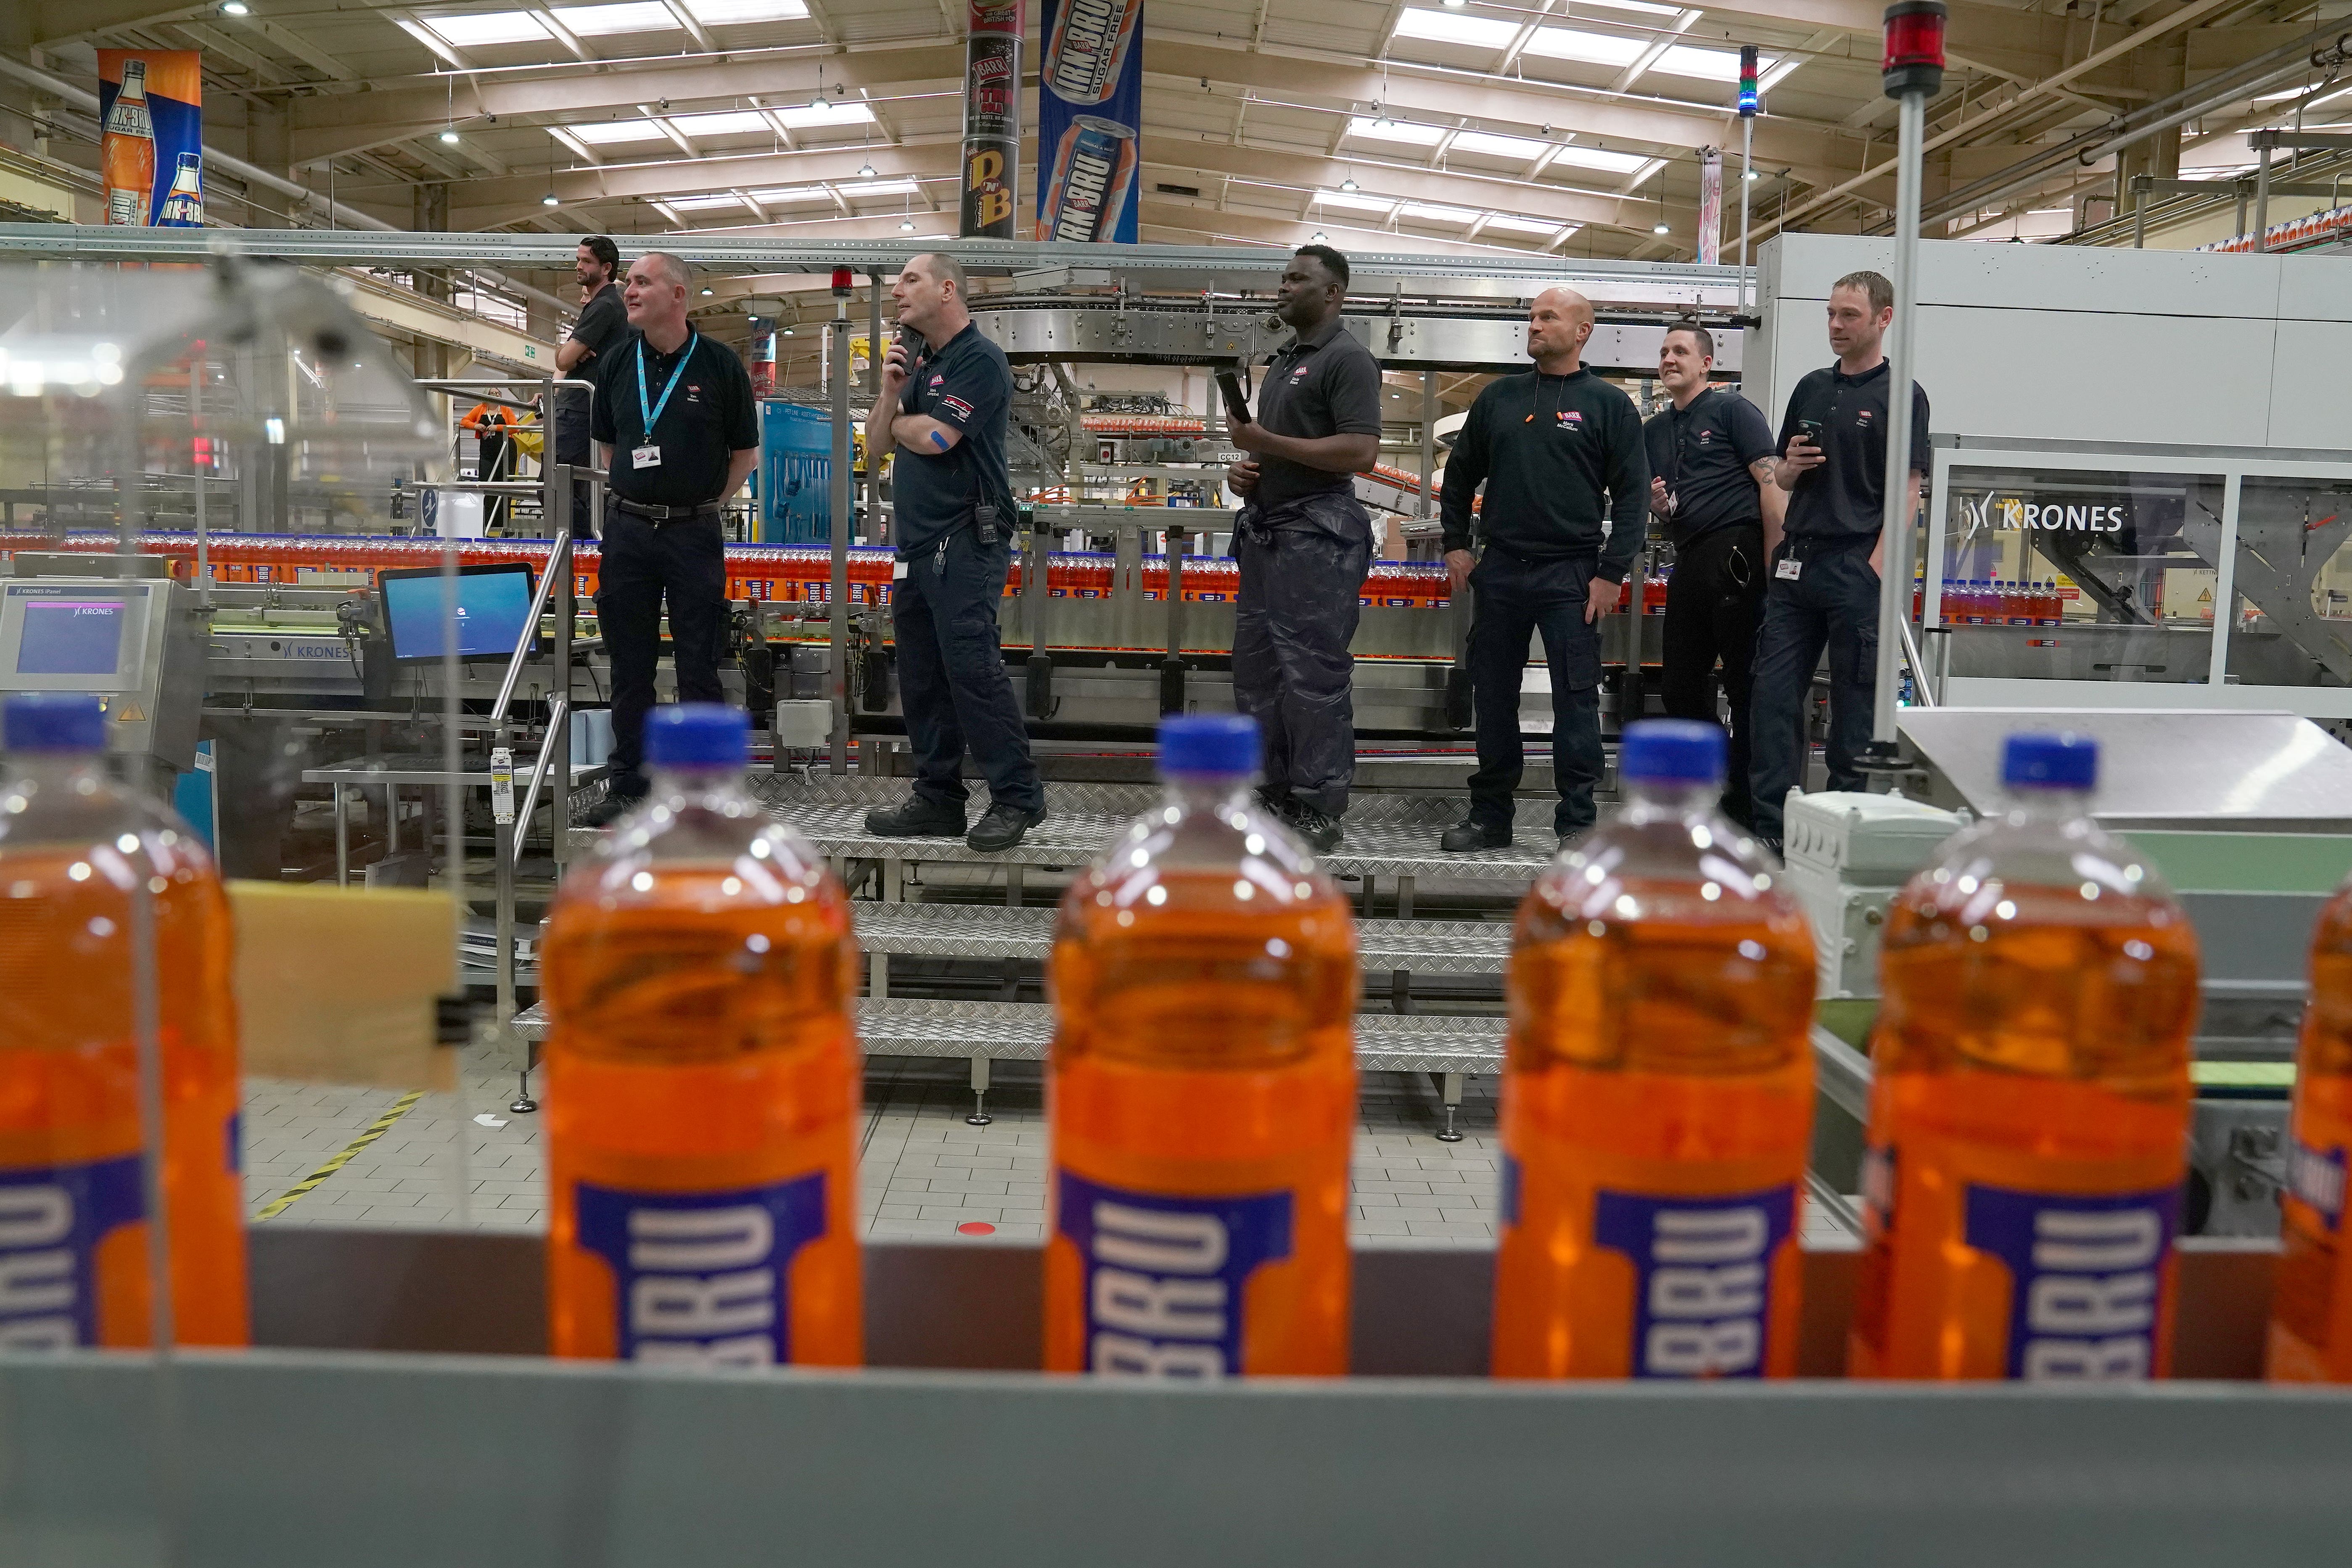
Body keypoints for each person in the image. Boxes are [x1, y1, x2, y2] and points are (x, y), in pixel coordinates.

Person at [1438, 287, 1647, 852]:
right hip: (1501, 570)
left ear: (1581, 331)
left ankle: (1577, 823)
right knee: (1495, 695)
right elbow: (1458, 476)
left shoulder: (1608, 405)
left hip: (1571, 577)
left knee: (1575, 701)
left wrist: (1610, 573)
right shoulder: (1498, 399)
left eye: (1546, 317)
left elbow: (1632, 498)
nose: (1532, 324)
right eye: (1530, 316)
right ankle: (1489, 818)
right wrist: (1456, 542)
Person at [859, 252, 1047, 854]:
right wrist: (892, 397)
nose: (897, 293)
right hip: (916, 547)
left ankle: (1017, 796)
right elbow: (874, 447)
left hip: (966, 542)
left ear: (946, 289)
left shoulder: (979, 359)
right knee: (920, 676)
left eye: (909, 281)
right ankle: (938, 798)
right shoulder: (919, 366)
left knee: (972, 671)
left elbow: (940, 439)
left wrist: (906, 424)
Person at [1749, 268, 1931, 854]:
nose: (1835, 325)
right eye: (1830, 313)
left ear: (1883, 318)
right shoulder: (1809, 387)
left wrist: (1875, 565)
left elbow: (1908, 489)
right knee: (1772, 697)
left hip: (1855, 565)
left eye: (1848, 315)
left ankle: (1845, 829)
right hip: (1796, 563)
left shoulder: (1902, 395)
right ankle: (1772, 828)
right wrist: (1790, 469)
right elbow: (1778, 471)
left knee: (1854, 707)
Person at [578, 252, 759, 827]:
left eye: (640, 283)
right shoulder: (613, 363)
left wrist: (704, 506)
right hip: (629, 530)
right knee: (629, 668)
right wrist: (641, 497)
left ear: (678, 294)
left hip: (693, 532)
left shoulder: (720, 365)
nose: (628, 292)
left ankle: (701, 793)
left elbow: (745, 455)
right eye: (627, 282)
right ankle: (629, 783)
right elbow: (611, 448)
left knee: (697, 666)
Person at [1222, 244, 1383, 852]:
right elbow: (1277, 449)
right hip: (1269, 534)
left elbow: (1359, 452)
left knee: (1312, 675)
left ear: (1333, 293)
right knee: (1258, 672)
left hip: (1318, 538)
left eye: (1297, 279)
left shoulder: (1346, 360)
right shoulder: (1285, 360)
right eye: (1282, 277)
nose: (1283, 287)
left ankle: (1319, 804)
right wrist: (1250, 468)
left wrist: (1267, 441)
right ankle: (1271, 791)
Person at [1645, 321, 1783, 830]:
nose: (1668, 359)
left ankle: (1748, 806)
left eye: (1679, 351)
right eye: (1662, 352)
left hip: (1738, 555)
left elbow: (1770, 485)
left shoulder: (1732, 411)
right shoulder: (1654, 430)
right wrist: (1661, 510)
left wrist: (1775, 565)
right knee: (1680, 686)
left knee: (1745, 685)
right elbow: (1666, 504)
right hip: (1689, 557)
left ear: (1706, 363)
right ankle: (1710, 787)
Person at [553, 236, 626, 537]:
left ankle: (583, 549)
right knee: (577, 490)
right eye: (579, 259)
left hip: (580, 412)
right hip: (582, 411)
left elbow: (563, 359)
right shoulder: (603, 305)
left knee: (556, 488)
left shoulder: (605, 306)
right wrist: (570, 354)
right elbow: (566, 359)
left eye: (587, 261)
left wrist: (570, 352)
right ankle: (589, 548)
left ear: (606, 268)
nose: (579, 266)